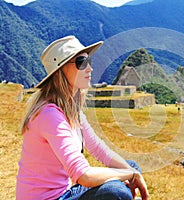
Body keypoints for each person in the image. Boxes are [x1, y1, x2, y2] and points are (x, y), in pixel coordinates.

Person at [16, 36, 149, 200]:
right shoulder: (48, 115)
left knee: (130, 166)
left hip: (64, 193)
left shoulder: (72, 110)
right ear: (61, 70)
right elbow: (83, 176)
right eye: (81, 62)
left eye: (89, 61)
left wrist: (131, 172)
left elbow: (100, 150)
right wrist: (130, 175)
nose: (89, 69)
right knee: (116, 192)